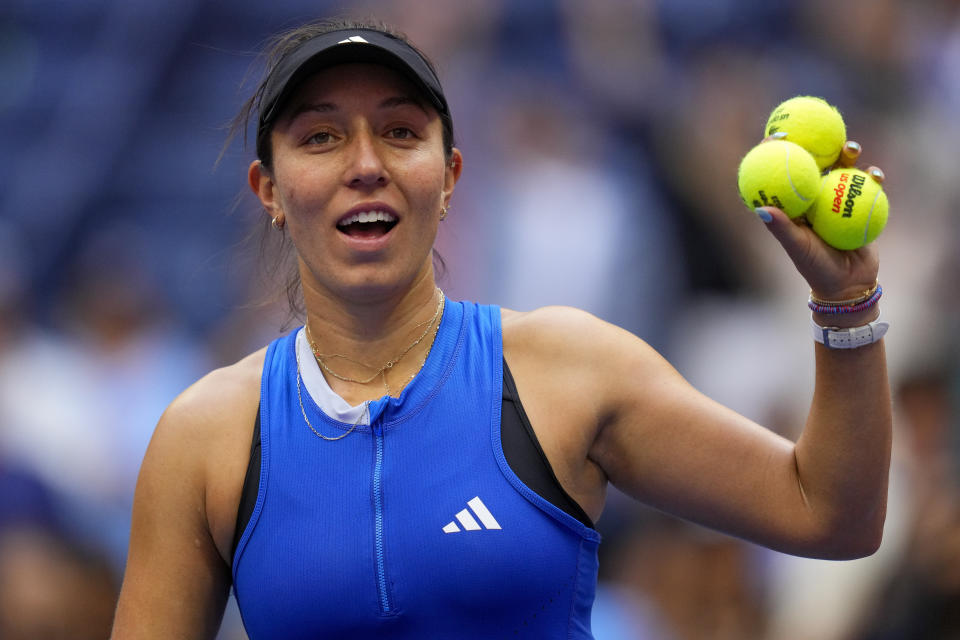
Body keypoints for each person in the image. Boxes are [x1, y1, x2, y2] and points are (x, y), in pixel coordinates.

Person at [111, 18, 892, 640]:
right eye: (320, 137)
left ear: (449, 178)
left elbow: (829, 512)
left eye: (401, 131)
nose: (365, 164)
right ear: (269, 190)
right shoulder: (205, 437)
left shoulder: (570, 370)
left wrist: (847, 303)